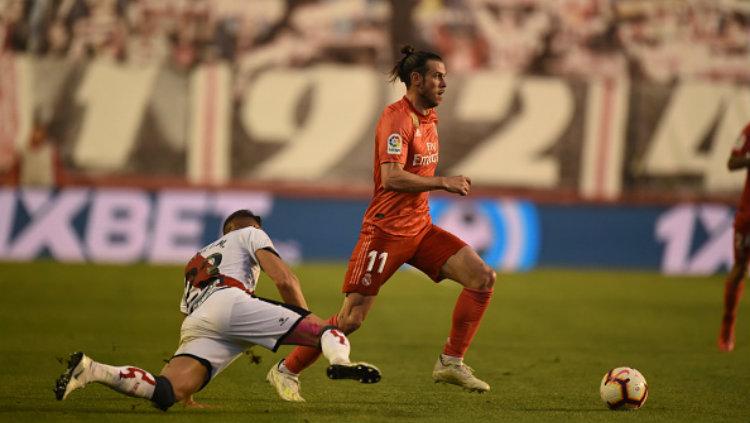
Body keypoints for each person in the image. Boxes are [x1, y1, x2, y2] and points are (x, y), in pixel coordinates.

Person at [267, 45, 496, 402]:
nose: (443, 83)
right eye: (437, 76)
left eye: (445, 77)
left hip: (420, 229)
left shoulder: (429, 119)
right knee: (351, 320)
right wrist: (442, 182)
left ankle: (451, 361)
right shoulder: (397, 118)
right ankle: (286, 369)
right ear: (416, 79)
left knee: (482, 277)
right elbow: (391, 178)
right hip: (385, 233)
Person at [54, 210, 381, 409]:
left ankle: (92, 370)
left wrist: (190, 390)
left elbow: (191, 317)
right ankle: (341, 361)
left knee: (167, 391)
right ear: (243, 227)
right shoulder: (250, 233)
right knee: (326, 330)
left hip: (200, 322)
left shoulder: (197, 258)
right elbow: (285, 278)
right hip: (230, 304)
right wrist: (304, 324)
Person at [719, 122, 750, 352]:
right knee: (740, 268)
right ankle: (728, 325)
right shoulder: (748, 131)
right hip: (748, 214)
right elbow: (732, 162)